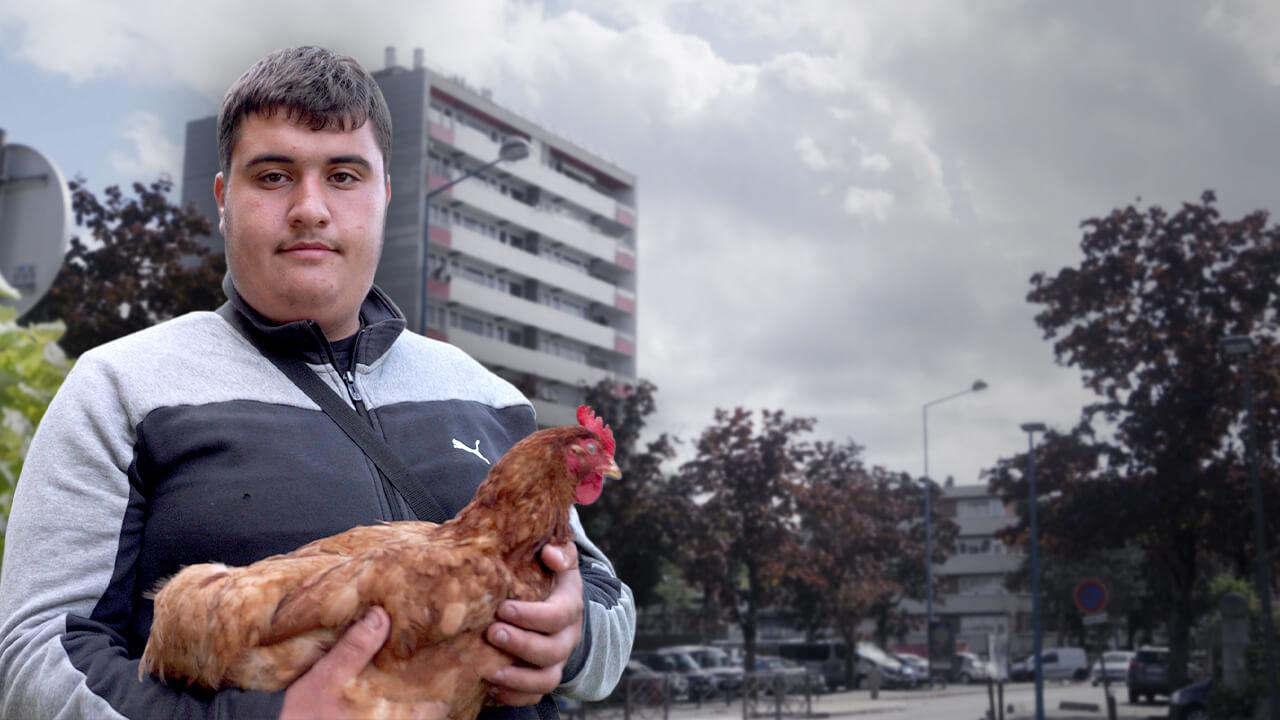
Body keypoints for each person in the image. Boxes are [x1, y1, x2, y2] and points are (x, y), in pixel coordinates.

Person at [0, 46, 634, 719]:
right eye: (273, 176)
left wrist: (574, 634)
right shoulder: (122, 390)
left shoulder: (489, 397)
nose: (309, 207)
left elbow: (601, 597)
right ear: (224, 198)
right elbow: (33, 658)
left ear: (384, 193)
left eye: (343, 175)